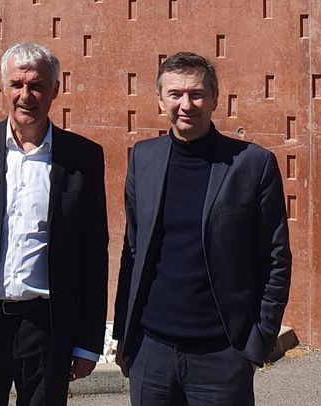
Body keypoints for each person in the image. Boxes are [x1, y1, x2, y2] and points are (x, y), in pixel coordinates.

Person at [0, 42, 109, 405]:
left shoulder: (83, 158)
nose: (26, 95)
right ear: (4, 87)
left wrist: (89, 343)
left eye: (37, 85)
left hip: (46, 328)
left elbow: (94, 255)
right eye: (17, 84)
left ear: (55, 90)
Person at [113, 51, 292, 405]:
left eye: (196, 94)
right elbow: (132, 251)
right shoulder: (143, 159)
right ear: (160, 99)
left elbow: (276, 259)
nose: (186, 104)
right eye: (175, 94)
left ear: (214, 99)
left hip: (222, 355)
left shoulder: (252, 165)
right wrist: (124, 336)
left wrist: (256, 343)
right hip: (152, 352)